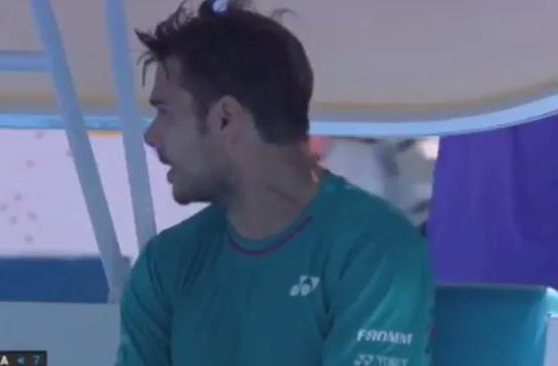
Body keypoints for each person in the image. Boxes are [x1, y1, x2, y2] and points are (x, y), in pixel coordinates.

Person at [116, 1, 434, 365]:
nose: (151, 136)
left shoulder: (373, 248)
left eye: (164, 112)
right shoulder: (165, 264)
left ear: (225, 119)